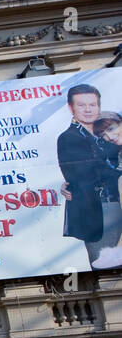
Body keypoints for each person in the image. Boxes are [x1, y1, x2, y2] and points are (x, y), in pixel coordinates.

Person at [57, 84, 122, 267]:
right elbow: (85, 174)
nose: (88, 110)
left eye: (92, 105)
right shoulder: (69, 138)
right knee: (110, 268)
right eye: (82, 105)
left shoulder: (108, 131)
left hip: (116, 203)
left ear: (99, 106)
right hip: (102, 210)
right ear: (71, 108)